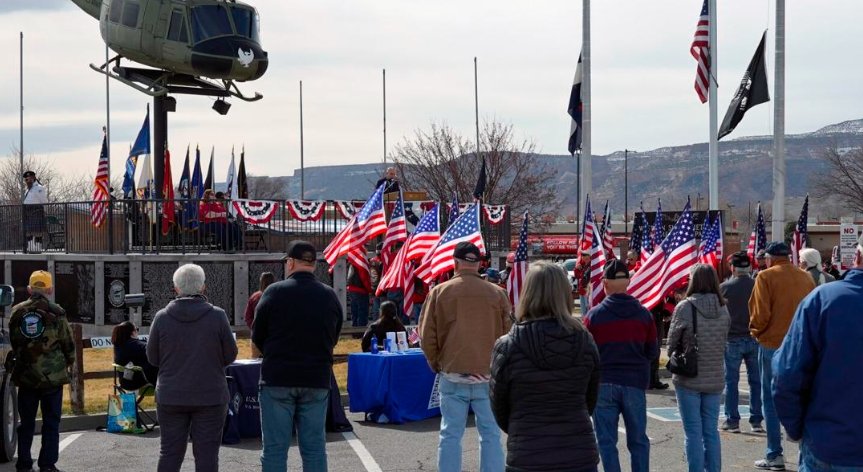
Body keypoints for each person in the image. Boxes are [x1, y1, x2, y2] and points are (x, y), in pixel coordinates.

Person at [490, 261, 600, 471]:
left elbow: (500, 408)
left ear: (527, 293)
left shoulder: (507, 346)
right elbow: (589, 401)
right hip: (578, 453)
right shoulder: (585, 341)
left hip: (527, 453)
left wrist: (522, 428)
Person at [773, 233, 863, 470]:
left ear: (857, 256)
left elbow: (787, 375)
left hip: (830, 443)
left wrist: (796, 428)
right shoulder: (824, 296)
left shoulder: (825, 299)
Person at [420, 242, 512, 472]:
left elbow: (427, 336)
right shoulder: (497, 293)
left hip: (452, 371)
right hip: (488, 374)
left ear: (455, 262)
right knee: (490, 434)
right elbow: (508, 335)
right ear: (480, 264)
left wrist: (435, 362)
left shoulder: (439, 292)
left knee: (450, 434)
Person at [253, 241, 343, 472]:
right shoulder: (329, 295)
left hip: (277, 378)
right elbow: (333, 336)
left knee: (274, 450)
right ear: (313, 264)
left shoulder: (274, 292)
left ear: (290, 262)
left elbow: (258, 335)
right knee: (314, 449)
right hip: (316, 378)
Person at [146, 264, 238, 472]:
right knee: (207, 454)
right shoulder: (218, 316)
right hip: (210, 395)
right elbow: (230, 354)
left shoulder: (162, 317)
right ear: (203, 287)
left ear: (176, 288)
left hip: (171, 395)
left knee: (169, 453)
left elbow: (152, 357)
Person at [583, 259, 656, 472]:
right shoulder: (644, 314)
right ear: (629, 282)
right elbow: (652, 352)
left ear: (605, 284)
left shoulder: (594, 316)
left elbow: (586, 354)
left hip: (604, 383)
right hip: (634, 383)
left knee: (605, 441)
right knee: (639, 441)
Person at [748, 241, 815, 471]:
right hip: (801, 345)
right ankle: (804, 453)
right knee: (803, 398)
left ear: (770, 258)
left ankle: (774, 454)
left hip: (773, 344)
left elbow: (760, 314)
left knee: (771, 399)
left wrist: (756, 333)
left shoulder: (765, 277)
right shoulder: (806, 277)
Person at [667, 264, 730, 472]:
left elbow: (671, 345)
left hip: (688, 377)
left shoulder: (685, 307)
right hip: (715, 376)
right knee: (711, 431)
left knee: (693, 432)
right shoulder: (723, 308)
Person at [9, 270, 75, 472]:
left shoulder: (17, 312)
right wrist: (69, 362)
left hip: (27, 378)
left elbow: (14, 341)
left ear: (29, 289)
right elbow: (68, 343)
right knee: (51, 423)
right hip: (52, 379)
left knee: (26, 423)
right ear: (50, 289)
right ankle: (47, 464)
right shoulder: (57, 312)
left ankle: (24, 462)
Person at [718, 252, 764, 434]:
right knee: (756, 381)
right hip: (754, 337)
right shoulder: (758, 285)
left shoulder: (724, 288)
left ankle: (732, 420)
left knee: (731, 382)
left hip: (732, 338)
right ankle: (756, 420)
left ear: (732, 268)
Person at [112, 321, 158, 391]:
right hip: (138, 381)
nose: (137, 332)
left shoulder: (118, 346)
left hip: (125, 381)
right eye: (137, 329)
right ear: (132, 332)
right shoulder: (136, 345)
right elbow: (152, 349)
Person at [245, 272, 275, 358]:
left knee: (256, 365)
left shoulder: (255, 297)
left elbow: (248, 317)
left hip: (256, 337)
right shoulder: (278, 296)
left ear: (261, 281)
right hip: (273, 337)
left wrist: (255, 327)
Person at [22, 170, 48, 252]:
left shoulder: (39, 188)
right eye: (26, 180)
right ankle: (30, 247)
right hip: (28, 212)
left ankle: (38, 248)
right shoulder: (27, 190)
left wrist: (45, 211)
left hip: (37, 211)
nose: (27, 181)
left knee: (38, 231)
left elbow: (44, 200)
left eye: (28, 179)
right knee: (28, 231)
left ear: (33, 178)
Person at [347, 255, 372, 327]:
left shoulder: (352, 262)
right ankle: (361, 331)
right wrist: (369, 290)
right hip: (361, 290)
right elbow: (364, 278)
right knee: (362, 312)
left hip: (352, 289)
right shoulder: (361, 262)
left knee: (354, 311)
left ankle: (355, 329)